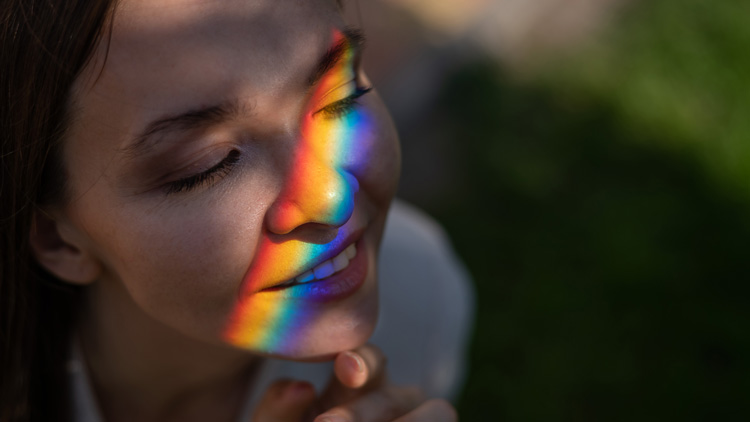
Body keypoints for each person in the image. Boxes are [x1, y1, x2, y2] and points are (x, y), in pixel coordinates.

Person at [0, 0, 473, 421]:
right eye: (209, 165)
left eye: (340, 97)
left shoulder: (417, 296)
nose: (331, 198)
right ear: (58, 239)